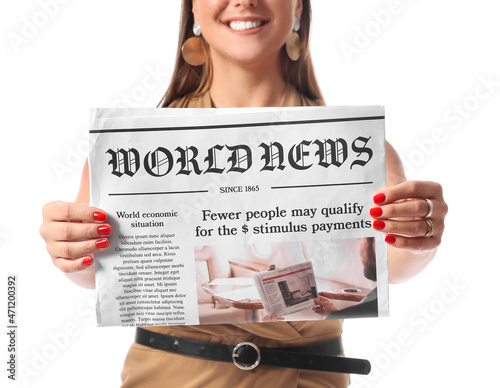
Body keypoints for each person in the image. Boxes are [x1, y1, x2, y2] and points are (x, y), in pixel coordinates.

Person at [39, 0, 448, 387]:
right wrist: (73, 253)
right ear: (193, 9)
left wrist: (418, 240)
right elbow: (100, 275)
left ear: (298, 9)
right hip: (169, 377)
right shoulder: (128, 151)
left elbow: (391, 266)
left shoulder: (360, 148)